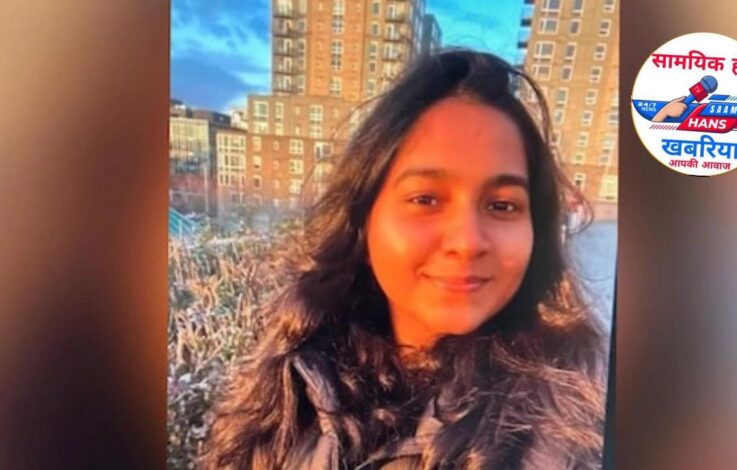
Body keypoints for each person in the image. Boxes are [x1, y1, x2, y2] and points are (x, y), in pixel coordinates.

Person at [202, 49, 607, 469]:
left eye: (502, 205)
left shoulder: (573, 432)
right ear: (363, 218)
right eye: (426, 199)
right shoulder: (292, 377)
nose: (468, 241)